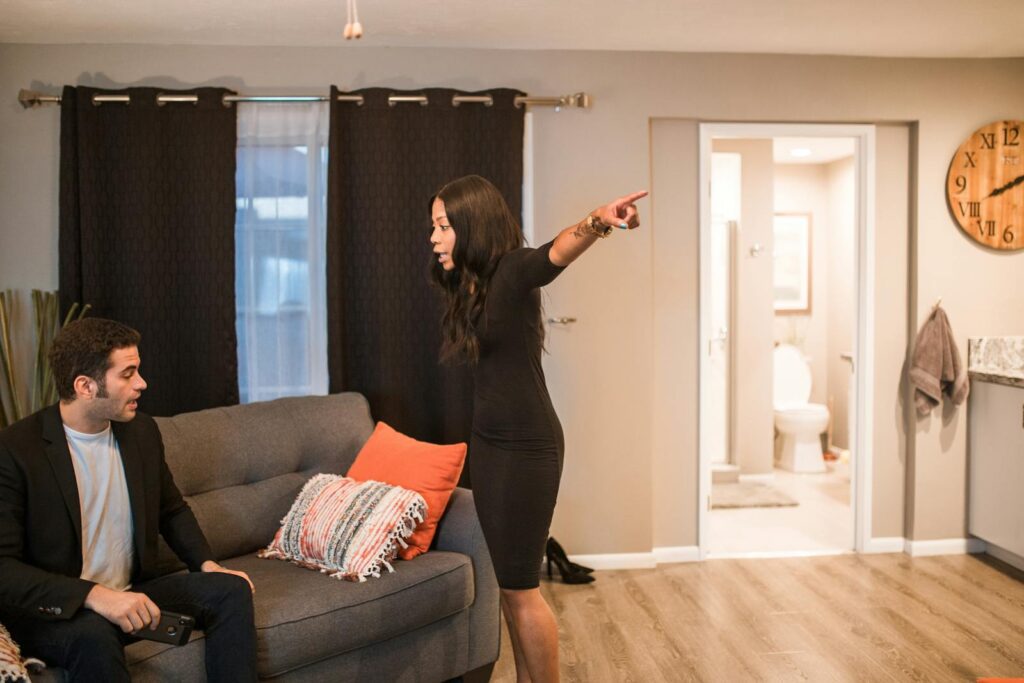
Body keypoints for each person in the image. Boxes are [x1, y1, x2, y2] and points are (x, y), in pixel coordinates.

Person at [429, 175, 646, 682]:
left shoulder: (511, 270)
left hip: (527, 447)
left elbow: (555, 252)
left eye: (442, 227)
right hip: (489, 445)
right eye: (433, 227)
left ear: (471, 225)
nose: (434, 238)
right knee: (510, 586)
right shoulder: (471, 284)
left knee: (522, 588)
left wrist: (599, 220)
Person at [0, 318, 257, 682]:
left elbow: (171, 509)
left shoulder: (141, 432)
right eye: (128, 374)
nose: (142, 383)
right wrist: (95, 596)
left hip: (133, 591)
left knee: (231, 589)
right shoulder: (15, 450)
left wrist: (206, 562)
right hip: (59, 609)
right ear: (85, 386)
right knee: (93, 635)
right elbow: (4, 569)